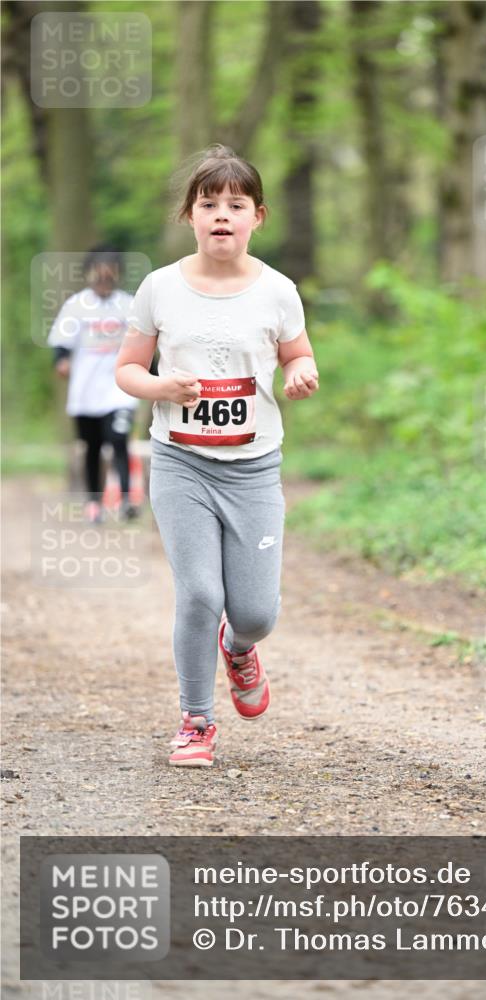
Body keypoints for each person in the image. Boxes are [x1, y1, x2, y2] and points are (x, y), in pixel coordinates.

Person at [116, 144, 319, 768]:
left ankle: (239, 647)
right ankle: (196, 720)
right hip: (181, 465)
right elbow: (126, 369)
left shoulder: (278, 291)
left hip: (255, 468)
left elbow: (298, 353)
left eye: (235, 205)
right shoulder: (160, 288)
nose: (221, 215)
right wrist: (160, 388)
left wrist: (303, 373)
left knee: (255, 612)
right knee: (200, 594)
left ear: (258, 216)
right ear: (191, 216)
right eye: (209, 204)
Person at [48, 245, 141, 523]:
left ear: (117, 274)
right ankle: (94, 502)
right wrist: (61, 361)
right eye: (98, 274)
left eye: (109, 274)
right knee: (92, 447)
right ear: (90, 274)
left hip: (119, 389)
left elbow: (145, 345)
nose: (103, 279)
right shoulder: (76, 306)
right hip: (86, 391)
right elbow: (61, 343)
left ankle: (126, 500)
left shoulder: (128, 305)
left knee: (119, 440)